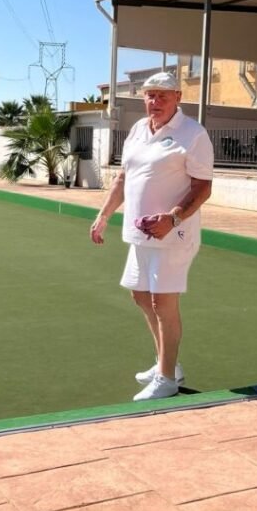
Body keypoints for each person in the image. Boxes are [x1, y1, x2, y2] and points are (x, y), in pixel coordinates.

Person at [90, 72, 214, 401]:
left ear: (178, 97)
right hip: (140, 233)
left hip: (174, 235)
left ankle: (166, 379)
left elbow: (203, 188)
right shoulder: (137, 130)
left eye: (163, 95)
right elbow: (122, 178)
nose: (155, 101)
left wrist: (173, 218)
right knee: (140, 296)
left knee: (162, 303)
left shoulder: (194, 134)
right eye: (150, 95)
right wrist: (104, 215)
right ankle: (166, 364)